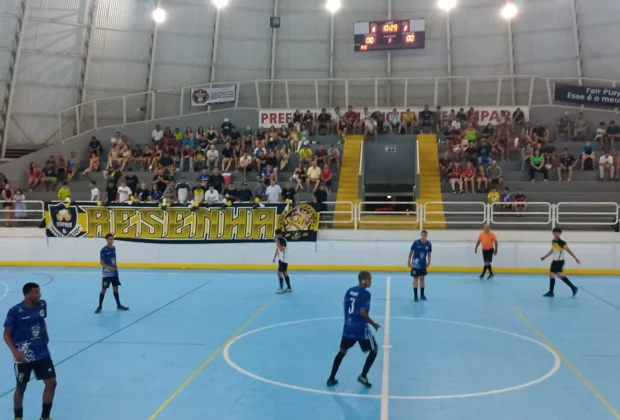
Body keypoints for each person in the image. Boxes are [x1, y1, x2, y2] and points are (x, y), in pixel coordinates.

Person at [3, 282, 57, 420]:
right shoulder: (15, 311)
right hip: (23, 355)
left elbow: (41, 320)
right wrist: (15, 352)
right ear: (27, 294)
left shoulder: (42, 305)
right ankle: (18, 417)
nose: (39, 295)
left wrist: (45, 335)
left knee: (51, 383)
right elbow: (6, 334)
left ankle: (45, 417)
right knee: (21, 387)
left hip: (42, 352)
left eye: (39, 292)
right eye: (36, 293)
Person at [327, 271, 380, 388]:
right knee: (374, 350)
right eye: (369, 279)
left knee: (342, 352)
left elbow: (345, 306)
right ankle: (363, 375)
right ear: (363, 280)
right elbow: (363, 313)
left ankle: (331, 378)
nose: (371, 282)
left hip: (348, 328)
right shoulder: (366, 294)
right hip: (361, 329)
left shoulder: (349, 291)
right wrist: (373, 324)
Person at [540, 228, 580, 298]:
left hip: (558, 261)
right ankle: (573, 288)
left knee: (552, 275)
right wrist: (545, 257)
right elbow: (552, 250)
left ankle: (551, 292)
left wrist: (575, 258)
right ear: (553, 233)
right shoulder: (553, 241)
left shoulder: (562, 243)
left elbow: (569, 251)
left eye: (557, 233)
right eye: (555, 233)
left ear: (560, 234)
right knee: (559, 275)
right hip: (556, 260)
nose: (556, 234)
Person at [95, 234, 129, 314]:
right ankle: (100, 306)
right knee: (103, 289)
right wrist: (109, 268)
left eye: (112, 239)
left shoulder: (114, 248)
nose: (111, 240)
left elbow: (114, 260)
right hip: (106, 274)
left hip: (114, 273)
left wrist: (115, 270)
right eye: (110, 239)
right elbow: (101, 262)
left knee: (116, 289)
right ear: (106, 240)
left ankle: (118, 305)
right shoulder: (103, 250)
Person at [408, 230, 432, 302]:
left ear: (426, 236)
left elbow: (429, 253)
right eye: (422, 235)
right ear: (421, 235)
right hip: (415, 264)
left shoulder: (428, 244)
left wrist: (429, 261)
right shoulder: (416, 243)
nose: (423, 236)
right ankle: (415, 296)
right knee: (415, 279)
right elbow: (411, 252)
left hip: (423, 264)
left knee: (422, 279)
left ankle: (422, 295)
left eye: (425, 235)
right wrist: (409, 261)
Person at [272, 229, 291, 294]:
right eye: (276, 235)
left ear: (280, 234)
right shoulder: (279, 240)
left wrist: (277, 242)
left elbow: (281, 249)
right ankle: (289, 288)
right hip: (280, 259)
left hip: (284, 259)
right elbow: (277, 249)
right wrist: (274, 257)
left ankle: (281, 287)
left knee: (279, 273)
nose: (276, 236)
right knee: (285, 273)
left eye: (277, 235)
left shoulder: (283, 240)